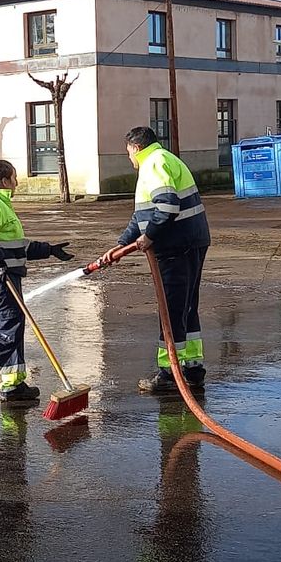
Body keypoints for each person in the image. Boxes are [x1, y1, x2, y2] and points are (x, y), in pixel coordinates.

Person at [0, 160, 74, 410]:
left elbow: (18, 247)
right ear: (5, 181)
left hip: (4, 276)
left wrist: (49, 250)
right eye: (15, 178)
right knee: (11, 325)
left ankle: (13, 383)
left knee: (15, 324)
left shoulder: (3, 206)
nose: (17, 183)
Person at [101, 126, 211, 394]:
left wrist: (150, 236)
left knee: (171, 309)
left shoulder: (153, 163)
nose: (130, 160)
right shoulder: (166, 159)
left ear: (136, 148)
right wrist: (120, 245)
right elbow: (142, 215)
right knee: (186, 307)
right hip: (190, 241)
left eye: (128, 153)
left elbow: (167, 205)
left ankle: (168, 373)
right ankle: (192, 368)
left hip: (175, 246)